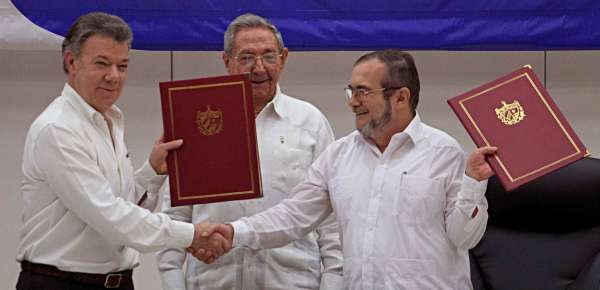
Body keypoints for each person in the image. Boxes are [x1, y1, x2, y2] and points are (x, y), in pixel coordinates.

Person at [196, 50, 498, 290]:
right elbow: (292, 215)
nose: (352, 102)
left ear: (401, 97)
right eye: (350, 91)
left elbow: (464, 238)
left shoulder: (444, 153)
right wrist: (233, 231)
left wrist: (473, 183)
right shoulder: (339, 155)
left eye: (363, 92)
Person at [15, 12, 226, 290]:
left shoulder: (109, 119)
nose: (114, 76)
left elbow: (119, 205)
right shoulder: (58, 129)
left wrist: (152, 171)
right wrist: (192, 235)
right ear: (71, 62)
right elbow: (111, 218)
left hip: (117, 282)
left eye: (122, 65)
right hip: (60, 283)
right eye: (102, 63)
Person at [155, 13, 343, 290]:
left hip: (293, 283)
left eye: (269, 56)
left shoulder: (309, 122)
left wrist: (333, 283)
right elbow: (174, 218)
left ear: (284, 57)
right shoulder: (195, 119)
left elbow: (330, 219)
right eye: (245, 57)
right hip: (212, 282)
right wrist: (172, 282)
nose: (258, 68)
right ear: (226, 60)